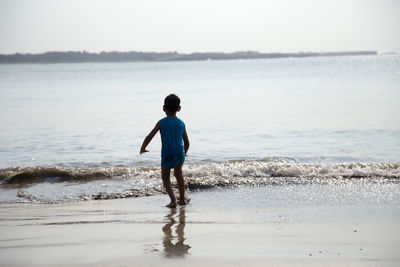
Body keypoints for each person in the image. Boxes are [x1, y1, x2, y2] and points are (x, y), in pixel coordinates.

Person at [140, 94, 190, 208]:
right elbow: (187, 142)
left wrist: (143, 147)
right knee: (179, 175)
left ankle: (173, 200)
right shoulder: (181, 123)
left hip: (167, 153)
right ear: (179, 108)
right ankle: (182, 199)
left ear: (163, 108)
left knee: (165, 177)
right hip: (179, 153)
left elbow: (149, 136)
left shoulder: (161, 122)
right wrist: (184, 152)